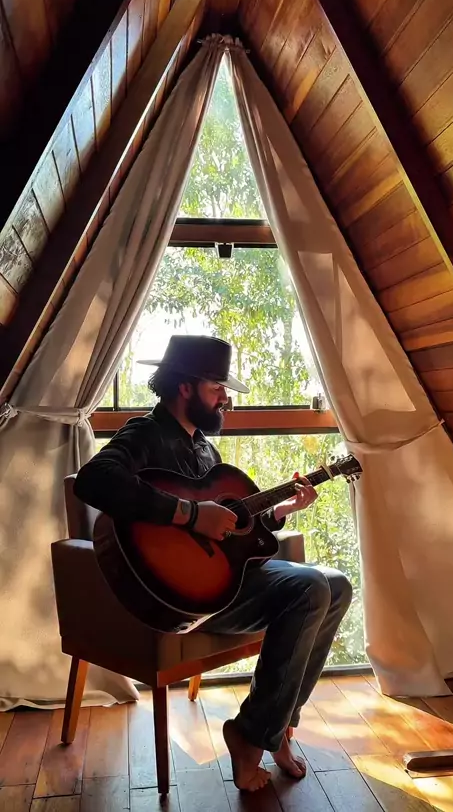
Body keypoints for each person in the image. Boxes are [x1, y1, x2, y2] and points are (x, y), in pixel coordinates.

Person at [74, 335, 352, 792]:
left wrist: (279, 513)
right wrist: (188, 514)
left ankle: (276, 727)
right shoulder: (144, 433)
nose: (225, 397)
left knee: (336, 584)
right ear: (185, 387)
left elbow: (230, 535)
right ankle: (251, 738)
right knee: (310, 588)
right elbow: (93, 480)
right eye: (217, 387)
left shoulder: (205, 449)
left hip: (222, 580)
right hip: (178, 593)